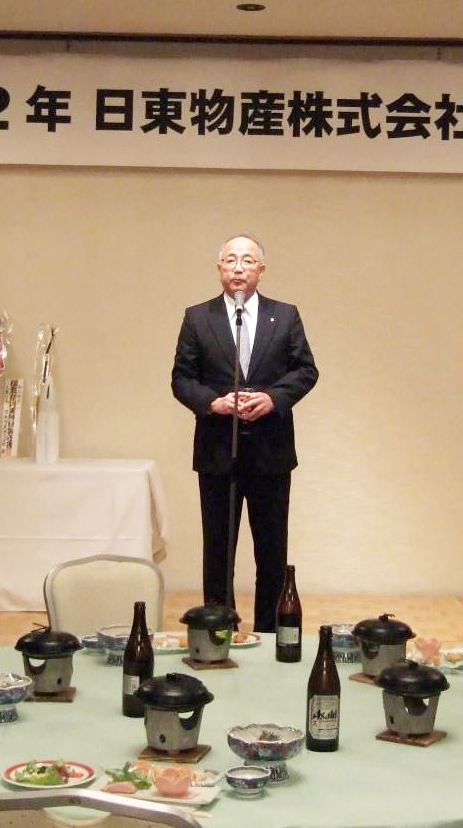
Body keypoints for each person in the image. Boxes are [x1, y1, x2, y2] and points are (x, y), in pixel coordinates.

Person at [171, 233, 318, 632]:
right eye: (231, 260)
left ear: (261, 270)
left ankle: (270, 635)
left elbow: (306, 370)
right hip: (219, 452)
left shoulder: (284, 316)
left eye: (248, 261)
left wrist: (273, 398)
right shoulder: (198, 318)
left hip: (271, 452)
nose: (239, 268)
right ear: (219, 268)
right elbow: (182, 379)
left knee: (271, 551)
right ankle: (218, 633)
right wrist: (213, 403)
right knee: (219, 551)